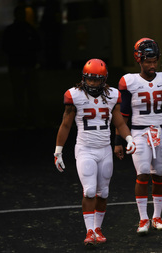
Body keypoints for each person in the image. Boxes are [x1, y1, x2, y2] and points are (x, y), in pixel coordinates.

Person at [54, 59, 136, 245]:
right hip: (85, 149)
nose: (93, 83)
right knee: (90, 190)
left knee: (103, 192)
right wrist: (58, 151)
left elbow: (120, 123)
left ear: (104, 79)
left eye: (97, 80)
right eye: (90, 79)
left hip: (104, 149)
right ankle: (89, 231)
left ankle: (98, 228)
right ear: (83, 78)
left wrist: (129, 139)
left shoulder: (113, 95)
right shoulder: (74, 95)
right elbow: (65, 125)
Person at [114, 38, 162, 235]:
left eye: (155, 61)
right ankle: (143, 218)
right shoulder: (129, 82)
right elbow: (123, 115)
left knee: (159, 174)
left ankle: (157, 216)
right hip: (139, 132)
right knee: (143, 173)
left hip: (161, 130)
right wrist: (118, 141)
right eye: (148, 61)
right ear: (139, 60)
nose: (152, 65)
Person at [2, 5, 41, 128]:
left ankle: (22, 118)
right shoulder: (28, 29)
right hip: (25, 64)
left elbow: (5, 47)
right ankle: (31, 118)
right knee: (29, 93)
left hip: (18, 64)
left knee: (21, 93)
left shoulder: (12, 30)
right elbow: (37, 45)